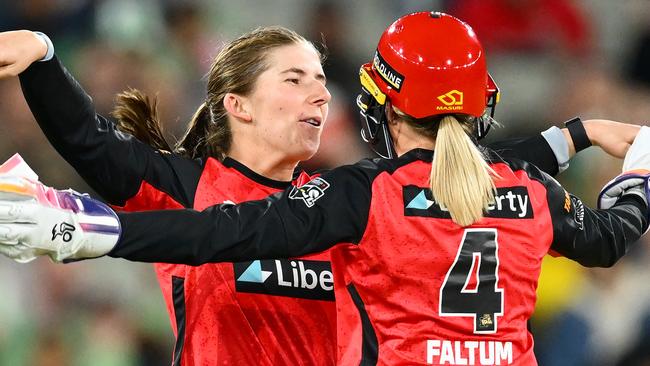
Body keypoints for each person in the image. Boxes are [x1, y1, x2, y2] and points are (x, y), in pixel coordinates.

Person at [0, 13, 644, 366]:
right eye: (294, 78)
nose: (318, 92)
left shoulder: (345, 195)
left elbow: (453, 172)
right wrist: (42, 56)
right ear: (238, 104)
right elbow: (90, 143)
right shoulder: (186, 186)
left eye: (320, 77)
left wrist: (577, 133)